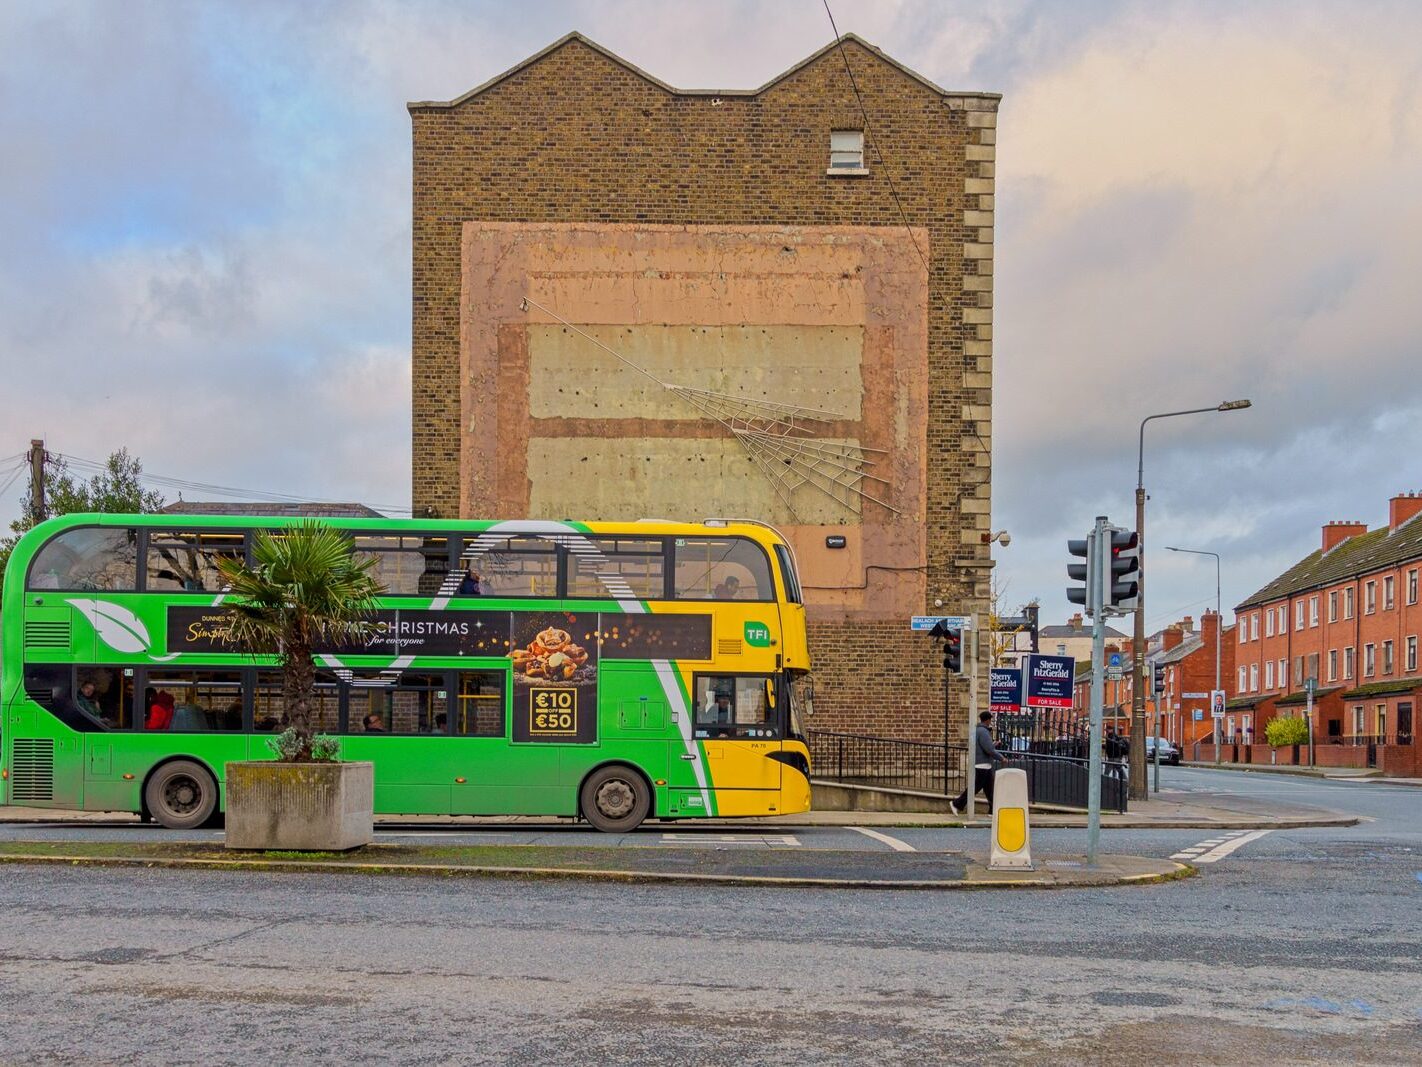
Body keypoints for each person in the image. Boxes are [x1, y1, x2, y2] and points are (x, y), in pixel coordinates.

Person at [949, 711, 1009, 816]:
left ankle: (992, 811)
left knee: (989, 790)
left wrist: (994, 744)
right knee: (975, 788)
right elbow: (989, 750)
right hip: (983, 765)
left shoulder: (978, 730)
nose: (991, 722)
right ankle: (956, 804)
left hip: (984, 764)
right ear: (987, 720)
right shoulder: (983, 732)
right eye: (990, 719)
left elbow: (985, 747)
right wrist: (1001, 758)